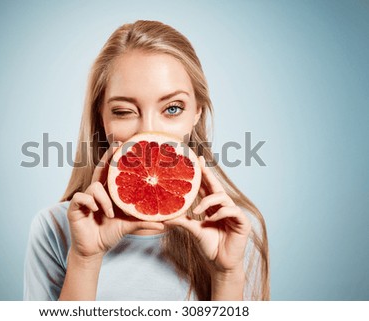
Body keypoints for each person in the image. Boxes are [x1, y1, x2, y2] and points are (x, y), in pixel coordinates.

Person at [23, 20, 269, 301]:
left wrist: (226, 274)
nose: (148, 133)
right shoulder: (54, 229)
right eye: (125, 111)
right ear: (102, 119)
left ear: (197, 113)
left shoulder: (236, 228)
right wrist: (85, 258)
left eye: (173, 108)